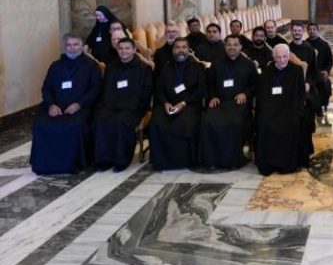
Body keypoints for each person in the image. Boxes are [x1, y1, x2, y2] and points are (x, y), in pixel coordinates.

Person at [31, 33, 102, 174]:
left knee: (74, 125)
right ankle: (45, 165)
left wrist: (78, 104)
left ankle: (73, 164)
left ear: (82, 46)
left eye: (75, 45)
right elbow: (46, 88)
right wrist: (51, 105)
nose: (72, 48)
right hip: (56, 106)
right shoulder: (55, 66)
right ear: (64, 47)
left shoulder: (91, 66)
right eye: (69, 45)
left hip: (82, 107)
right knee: (41, 124)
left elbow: (96, 88)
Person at [91, 37, 153, 171]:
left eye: (127, 48)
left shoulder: (144, 68)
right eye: (121, 48)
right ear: (117, 50)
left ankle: (121, 160)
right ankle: (104, 160)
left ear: (134, 50)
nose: (124, 51)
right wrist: (110, 104)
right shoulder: (111, 67)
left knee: (121, 122)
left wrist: (130, 106)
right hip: (111, 105)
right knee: (100, 120)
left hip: (133, 107)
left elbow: (146, 92)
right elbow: (106, 89)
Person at [199, 35, 258, 169]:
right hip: (219, 102)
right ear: (225, 46)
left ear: (240, 47)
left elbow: (255, 85)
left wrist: (245, 93)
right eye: (229, 44)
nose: (232, 47)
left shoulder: (248, 64)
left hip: (239, 104)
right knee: (207, 121)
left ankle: (232, 160)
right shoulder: (216, 63)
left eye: (235, 45)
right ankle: (211, 159)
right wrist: (213, 96)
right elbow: (210, 83)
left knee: (234, 123)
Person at [148, 37, 207, 170]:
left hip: (189, 104)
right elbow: (158, 88)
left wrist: (183, 103)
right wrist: (165, 102)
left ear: (188, 50)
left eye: (183, 47)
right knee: (157, 122)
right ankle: (162, 161)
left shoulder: (197, 67)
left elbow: (201, 90)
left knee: (183, 123)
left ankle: (182, 161)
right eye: (177, 47)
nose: (180, 50)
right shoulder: (166, 67)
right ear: (173, 50)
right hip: (168, 104)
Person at [255, 44, 307, 175]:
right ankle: (270, 163)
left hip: (290, 108)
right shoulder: (267, 71)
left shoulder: (297, 71)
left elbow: (301, 94)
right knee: (265, 124)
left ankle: (287, 164)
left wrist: (298, 111)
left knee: (292, 124)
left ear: (289, 56)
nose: (282, 60)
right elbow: (262, 95)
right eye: (278, 57)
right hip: (271, 109)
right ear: (274, 57)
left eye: (284, 56)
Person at [288, 21, 320, 162]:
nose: (297, 33)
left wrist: (309, 83)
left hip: (307, 86)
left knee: (307, 114)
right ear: (291, 31)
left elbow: (314, 71)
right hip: (291, 88)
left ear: (303, 32)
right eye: (294, 30)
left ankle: (306, 147)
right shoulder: (287, 49)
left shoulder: (309, 49)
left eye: (299, 30)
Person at [306, 22, 333, 120]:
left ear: (318, 31)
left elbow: (330, 60)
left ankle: (320, 106)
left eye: (314, 29)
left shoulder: (324, 45)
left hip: (321, 72)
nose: (312, 31)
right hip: (308, 73)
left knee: (325, 84)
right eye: (310, 29)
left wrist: (327, 71)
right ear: (307, 31)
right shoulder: (305, 44)